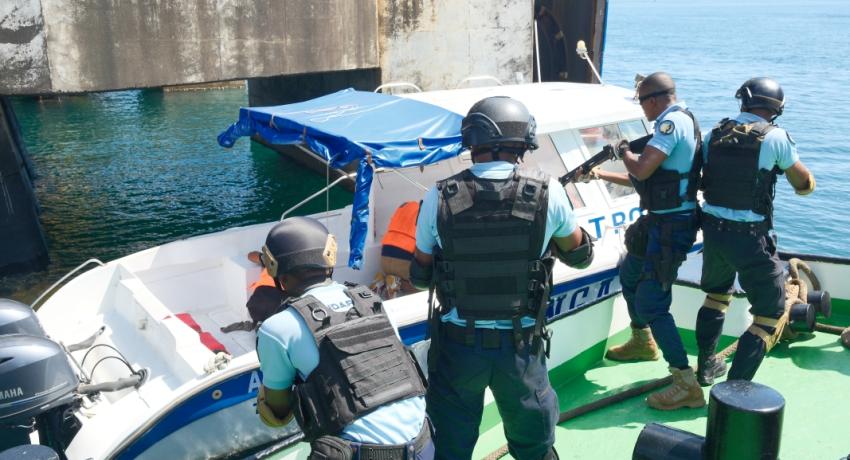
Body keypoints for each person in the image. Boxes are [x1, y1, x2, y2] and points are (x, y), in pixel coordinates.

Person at [411, 96, 594, 459]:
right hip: (521, 349)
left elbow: (420, 275)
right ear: (522, 142)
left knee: (450, 446)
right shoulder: (548, 191)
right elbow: (581, 256)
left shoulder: (439, 196)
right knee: (534, 446)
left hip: (458, 349)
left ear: (473, 142)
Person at [254, 216, 433, 459]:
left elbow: (276, 413)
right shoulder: (371, 301)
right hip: (425, 444)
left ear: (275, 268)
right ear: (329, 256)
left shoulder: (277, 328)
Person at [580, 72, 704, 410]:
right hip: (659, 220)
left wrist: (622, 151)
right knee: (630, 274)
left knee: (652, 302)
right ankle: (641, 340)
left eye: (643, 103)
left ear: (653, 100)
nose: (643, 111)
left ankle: (685, 382)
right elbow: (652, 178)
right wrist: (599, 174)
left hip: (671, 226)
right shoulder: (684, 120)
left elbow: (643, 168)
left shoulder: (669, 124)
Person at [696, 77, 815, 383]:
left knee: (715, 297)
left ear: (744, 101)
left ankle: (706, 367)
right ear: (777, 108)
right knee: (769, 314)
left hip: (713, 231)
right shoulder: (776, 138)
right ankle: (734, 390)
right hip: (749, 237)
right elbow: (804, 185)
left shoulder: (714, 133)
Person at [371, 201, 421, 299]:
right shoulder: (426, 213)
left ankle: (381, 281)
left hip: (385, 255)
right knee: (425, 288)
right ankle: (399, 283)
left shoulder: (404, 206)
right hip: (404, 258)